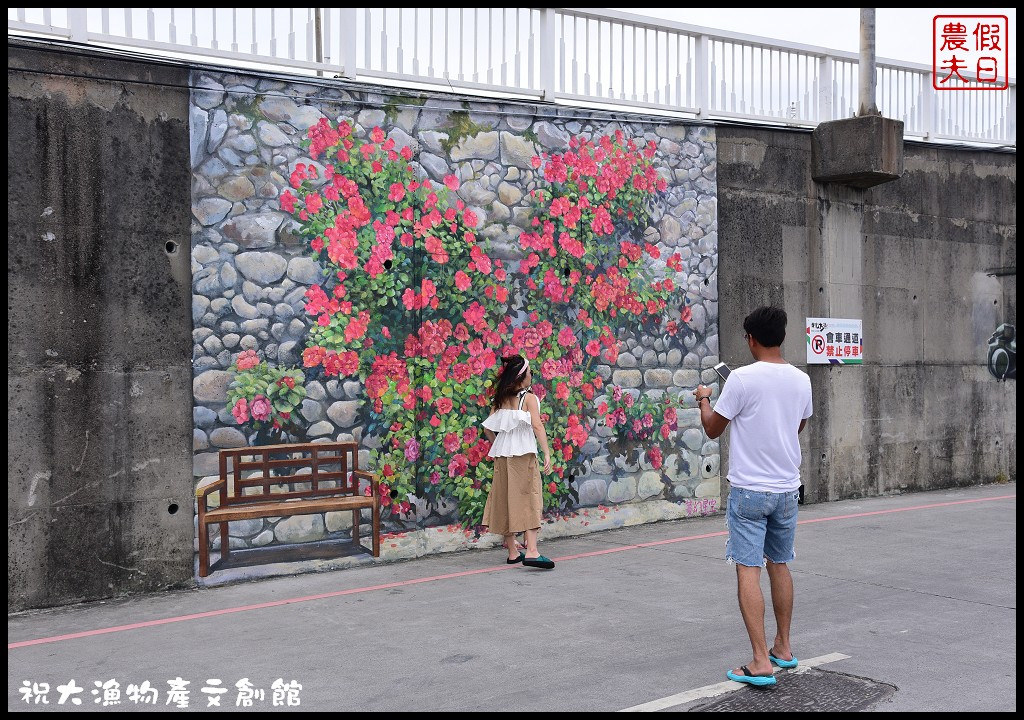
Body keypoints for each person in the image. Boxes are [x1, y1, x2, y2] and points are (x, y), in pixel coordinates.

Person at [693, 306, 812, 687]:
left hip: (749, 491)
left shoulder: (741, 380)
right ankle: (784, 648)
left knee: (749, 569)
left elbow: (713, 429)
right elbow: (800, 424)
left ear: (751, 338)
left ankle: (760, 661)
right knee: (780, 563)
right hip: (786, 489)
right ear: (781, 336)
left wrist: (703, 399)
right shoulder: (801, 380)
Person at [481, 355, 555, 570]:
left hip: (503, 455)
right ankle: (532, 551)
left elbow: (488, 428)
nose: (532, 376)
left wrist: (499, 444)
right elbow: (538, 427)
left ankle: (513, 552)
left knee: (506, 498)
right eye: (530, 372)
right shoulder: (529, 398)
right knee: (530, 497)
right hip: (523, 454)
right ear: (522, 377)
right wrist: (547, 453)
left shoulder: (502, 398)